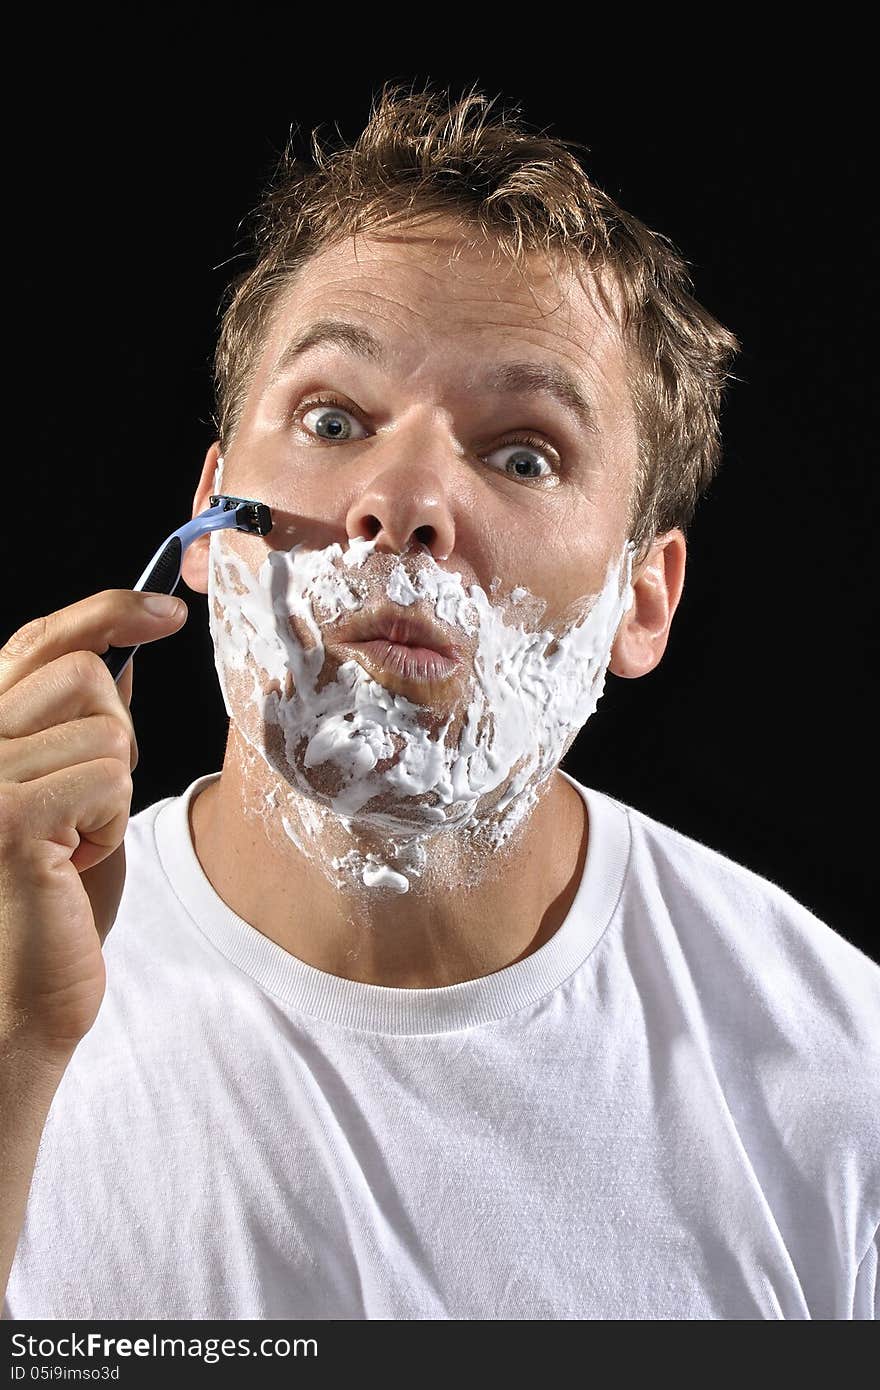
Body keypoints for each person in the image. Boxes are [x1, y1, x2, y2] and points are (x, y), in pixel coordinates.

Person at [2, 83, 877, 1323]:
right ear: (207, 520)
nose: (400, 498)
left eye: (522, 453)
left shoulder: (844, 1083)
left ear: (643, 598)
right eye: (332, 416)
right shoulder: (12, 984)